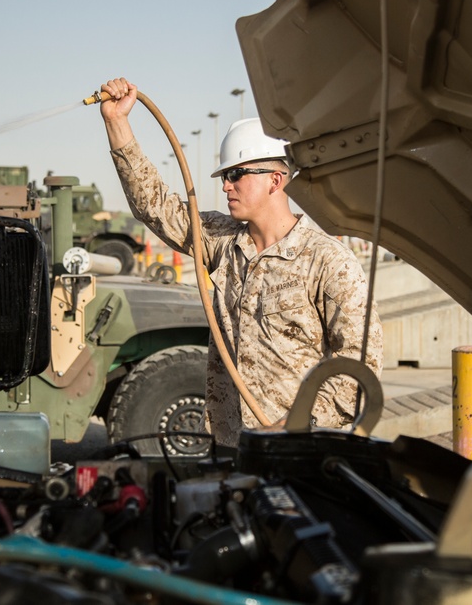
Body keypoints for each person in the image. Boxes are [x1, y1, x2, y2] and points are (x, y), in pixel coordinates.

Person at [99, 78, 382, 446]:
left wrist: (298, 422)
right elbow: (155, 205)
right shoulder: (222, 241)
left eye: (236, 175)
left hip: (298, 451)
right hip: (230, 445)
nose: (226, 186)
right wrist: (116, 122)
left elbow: (359, 366)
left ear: (276, 181)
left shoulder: (328, 262)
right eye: (225, 177)